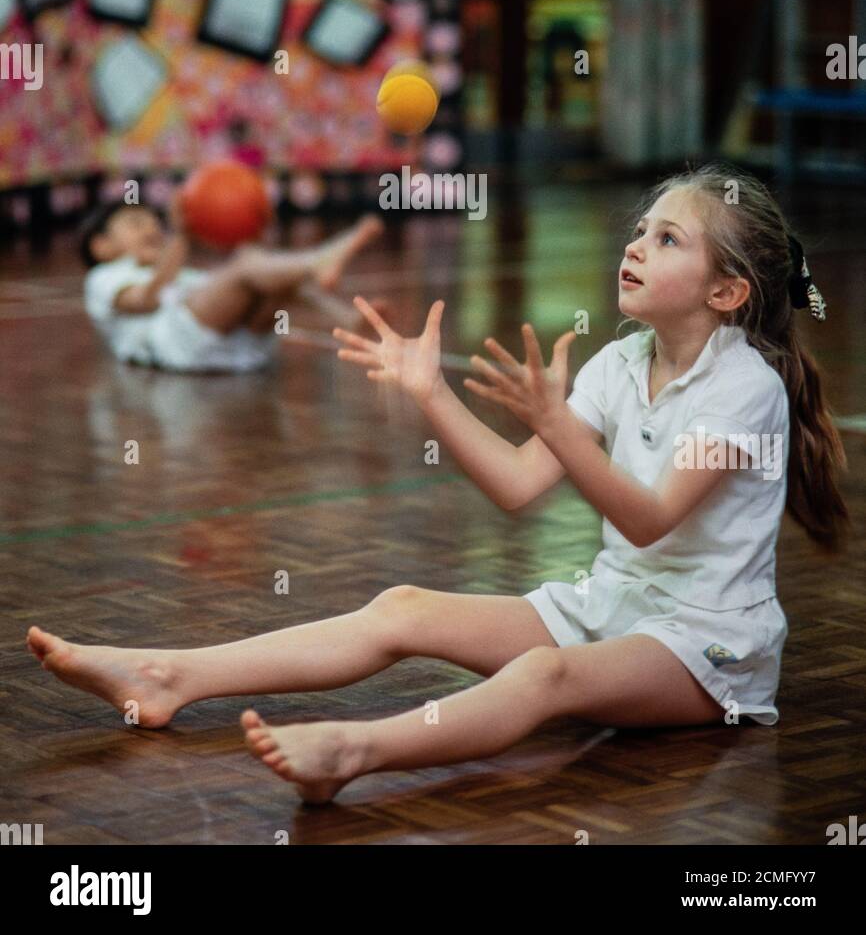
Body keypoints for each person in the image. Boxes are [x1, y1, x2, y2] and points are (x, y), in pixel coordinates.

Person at [27, 164, 849, 804]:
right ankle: (171, 676)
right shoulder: (622, 360)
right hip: (611, 610)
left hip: (707, 651)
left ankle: (357, 752)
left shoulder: (746, 389)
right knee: (400, 607)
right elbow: (519, 486)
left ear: (727, 290)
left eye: (668, 239)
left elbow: (648, 521)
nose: (634, 245)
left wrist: (560, 425)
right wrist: (430, 392)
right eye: (640, 229)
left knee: (539, 678)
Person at [79, 196, 383, 373]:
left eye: (153, 223)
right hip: (174, 349)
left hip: (242, 351)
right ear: (101, 246)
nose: (151, 229)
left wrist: (344, 316)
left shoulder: (180, 275)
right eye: (135, 223)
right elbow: (145, 300)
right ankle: (319, 258)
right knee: (247, 261)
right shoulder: (104, 277)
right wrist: (182, 238)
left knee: (263, 277)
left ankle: (332, 287)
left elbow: (285, 289)